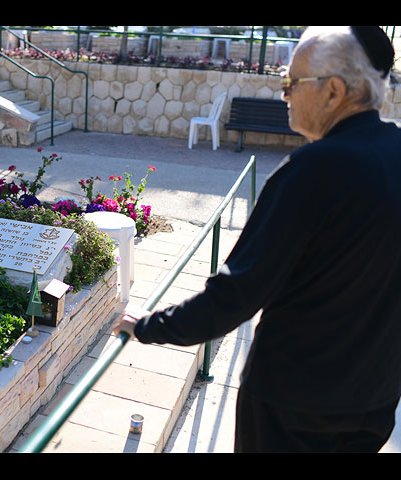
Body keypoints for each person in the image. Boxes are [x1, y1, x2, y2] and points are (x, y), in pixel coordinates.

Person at [112, 26, 401, 453]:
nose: (283, 94)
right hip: (372, 402)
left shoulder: (313, 170)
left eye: (291, 83)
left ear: (334, 91)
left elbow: (235, 296)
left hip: (292, 410)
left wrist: (151, 326)